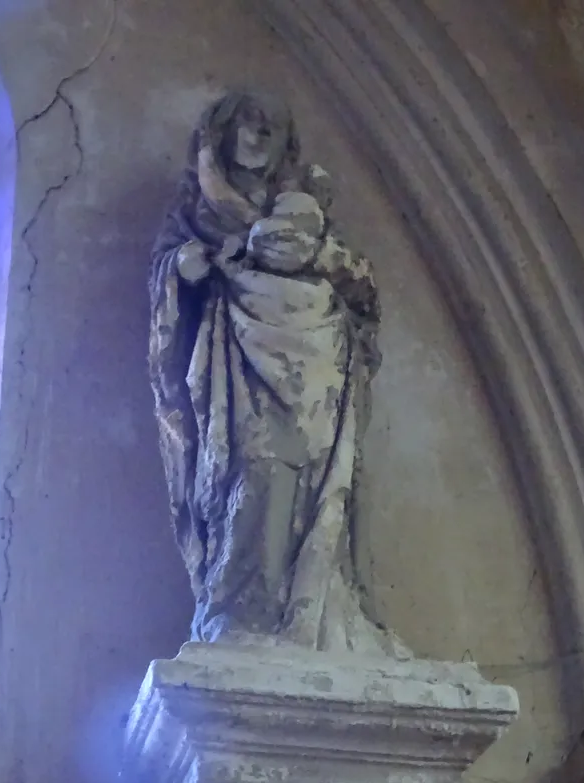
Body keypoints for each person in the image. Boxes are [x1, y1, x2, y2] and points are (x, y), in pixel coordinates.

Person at [149, 90, 406, 656]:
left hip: (315, 372)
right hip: (238, 374)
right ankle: (241, 615)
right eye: (249, 123)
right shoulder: (198, 216)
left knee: (314, 487)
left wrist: (320, 261)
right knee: (254, 475)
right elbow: (170, 284)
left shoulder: (303, 209)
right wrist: (185, 272)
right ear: (223, 132)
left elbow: (358, 287)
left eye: (272, 127)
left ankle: (308, 606)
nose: (259, 137)